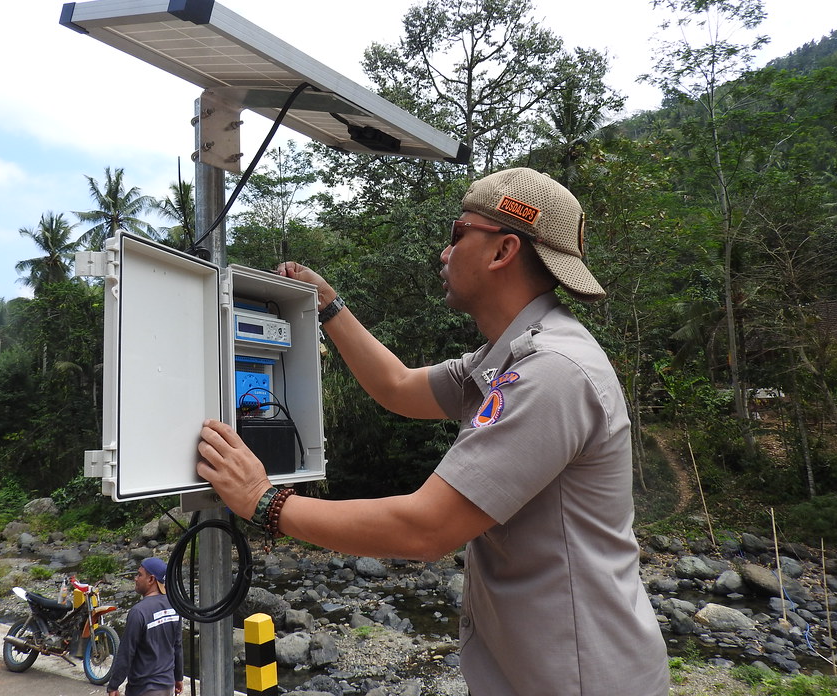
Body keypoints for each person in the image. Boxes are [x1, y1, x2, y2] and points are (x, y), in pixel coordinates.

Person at [197, 167, 669, 696]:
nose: (444, 254)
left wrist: (264, 501)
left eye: (458, 234)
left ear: (502, 250)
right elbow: (398, 386)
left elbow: (425, 529)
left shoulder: (551, 370)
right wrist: (327, 305)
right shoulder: (505, 357)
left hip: (580, 677)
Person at [106, 557, 184, 696]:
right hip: (167, 686)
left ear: (151, 580)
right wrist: (179, 677)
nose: (136, 579)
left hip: (144, 689)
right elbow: (177, 646)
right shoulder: (174, 606)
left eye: (139, 574)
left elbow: (126, 653)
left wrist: (114, 685)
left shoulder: (139, 612)